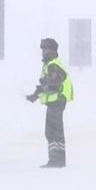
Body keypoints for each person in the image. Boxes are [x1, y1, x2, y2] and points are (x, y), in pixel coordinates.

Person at [26, 38, 74, 168]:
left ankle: (56, 160)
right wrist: (35, 95)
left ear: (52, 50)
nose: (43, 52)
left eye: (45, 49)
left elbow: (55, 84)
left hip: (57, 101)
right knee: (53, 131)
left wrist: (46, 84)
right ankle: (57, 159)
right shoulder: (50, 64)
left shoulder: (53, 65)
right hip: (55, 102)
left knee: (54, 131)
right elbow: (48, 85)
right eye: (42, 49)